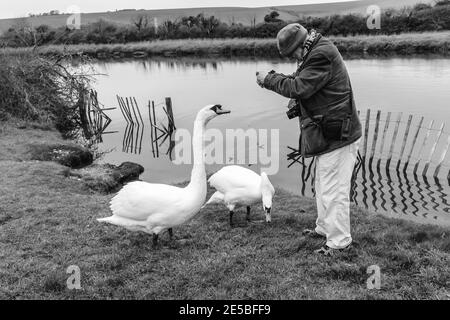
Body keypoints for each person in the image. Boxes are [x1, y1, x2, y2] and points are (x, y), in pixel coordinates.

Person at [256, 23, 362, 256]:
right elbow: (300, 80)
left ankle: (340, 242)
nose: (293, 57)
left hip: (339, 135)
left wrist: (268, 80)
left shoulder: (320, 54)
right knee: (324, 185)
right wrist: (280, 81)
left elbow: (299, 86)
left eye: (292, 53)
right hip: (331, 132)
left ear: (300, 44)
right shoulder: (312, 50)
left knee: (334, 190)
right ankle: (325, 229)